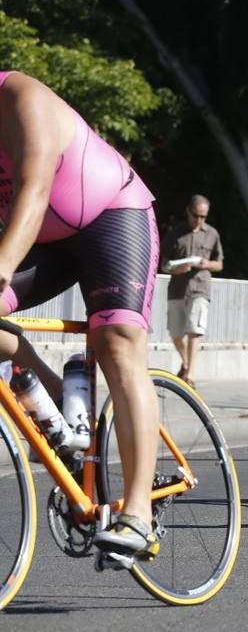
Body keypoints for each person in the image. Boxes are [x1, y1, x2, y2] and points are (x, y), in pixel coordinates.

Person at [0, 70, 161, 566]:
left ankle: (137, 513)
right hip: (46, 242)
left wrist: (2, 269)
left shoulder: (20, 97)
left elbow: (33, 191)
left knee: (115, 342)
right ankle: (60, 406)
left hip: (111, 216)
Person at [162, 195, 223, 387]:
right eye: (196, 215)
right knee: (175, 331)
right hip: (177, 288)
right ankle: (186, 363)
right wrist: (175, 269)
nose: (199, 220)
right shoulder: (175, 233)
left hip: (200, 287)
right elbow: (163, 264)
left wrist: (208, 264)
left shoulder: (212, 234)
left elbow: (219, 263)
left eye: (203, 216)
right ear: (188, 211)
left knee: (195, 330)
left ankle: (190, 374)